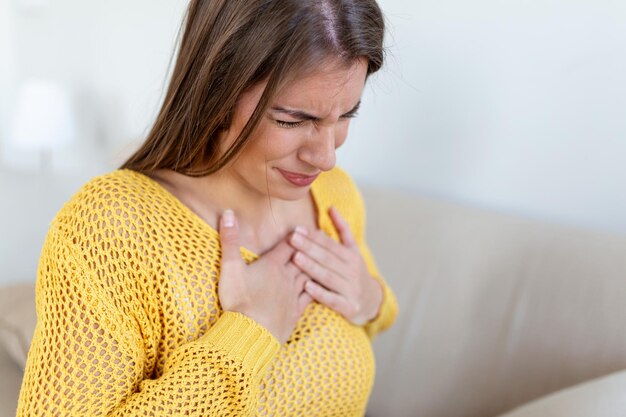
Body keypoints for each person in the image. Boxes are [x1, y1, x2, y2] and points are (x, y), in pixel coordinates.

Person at [16, 0, 398, 416]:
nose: (326, 157)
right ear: (217, 87)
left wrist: (373, 300)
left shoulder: (335, 196)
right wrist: (249, 334)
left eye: (347, 115)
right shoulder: (110, 230)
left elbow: (367, 312)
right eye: (292, 120)